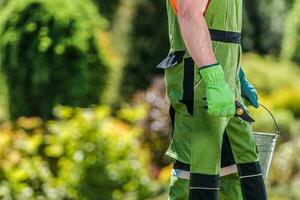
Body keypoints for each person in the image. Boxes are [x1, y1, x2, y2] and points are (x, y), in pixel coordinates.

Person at [157, 0, 268, 199]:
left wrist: (235, 73)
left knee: (243, 173)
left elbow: (217, 31)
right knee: (198, 177)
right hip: (201, 84)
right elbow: (189, 16)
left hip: (225, 84)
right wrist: (214, 77)